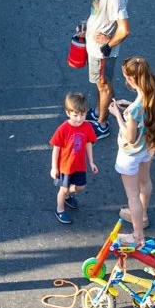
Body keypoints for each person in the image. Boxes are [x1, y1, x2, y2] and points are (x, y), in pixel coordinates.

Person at [109, 57, 155, 244]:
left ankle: (137, 235)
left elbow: (129, 137)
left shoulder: (135, 110)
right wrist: (130, 105)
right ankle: (143, 214)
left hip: (131, 153)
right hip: (149, 145)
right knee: (145, 181)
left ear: (131, 79)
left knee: (132, 195)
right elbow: (147, 109)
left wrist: (118, 115)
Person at [80, 0, 130, 140]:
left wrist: (107, 46)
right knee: (101, 84)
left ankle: (102, 124)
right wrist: (88, 28)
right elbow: (99, 12)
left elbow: (124, 29)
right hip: (94, 47)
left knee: (104, 85)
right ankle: (101, 110)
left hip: (102, 53)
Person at [48, 93, 98, 225]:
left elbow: (88, 143)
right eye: (75, 115)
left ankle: (67, 196)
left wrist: (91, 161)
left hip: (79, 165)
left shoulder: (87, 127)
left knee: (81, 187)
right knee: (63, 189)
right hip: (65, 167)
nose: (79, 118)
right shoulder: (63, 129)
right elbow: (56, 149)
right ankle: (60, 209)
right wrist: (54, 167)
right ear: (68, 113)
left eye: (82, 115)